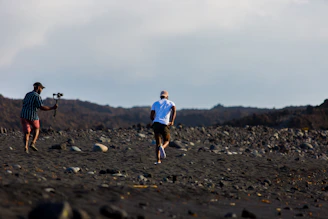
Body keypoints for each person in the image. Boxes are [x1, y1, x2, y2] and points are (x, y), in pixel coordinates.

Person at [20, 82, 58, 153]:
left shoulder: (28, 94)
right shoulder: (37, 96)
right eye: (41, 88)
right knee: (37, 128)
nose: (41, 90)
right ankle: (33, 143)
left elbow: (24, 102)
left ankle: (26, 147)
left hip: (24, 115)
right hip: (32, 115)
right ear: (38, 88)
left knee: (27, 132)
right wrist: (52, 108)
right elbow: (41, 107)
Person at [150, 90, 176, 164]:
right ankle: (163, 147)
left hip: (156, 124)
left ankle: (158, 160)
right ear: (167, 96)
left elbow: (151, 115)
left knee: (158, 143)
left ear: (160, 96)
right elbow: (174, 111)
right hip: (165, 124)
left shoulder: (155, 103)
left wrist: (154, 121)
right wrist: (172, 121)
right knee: (167, 140)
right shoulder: (171, 103)